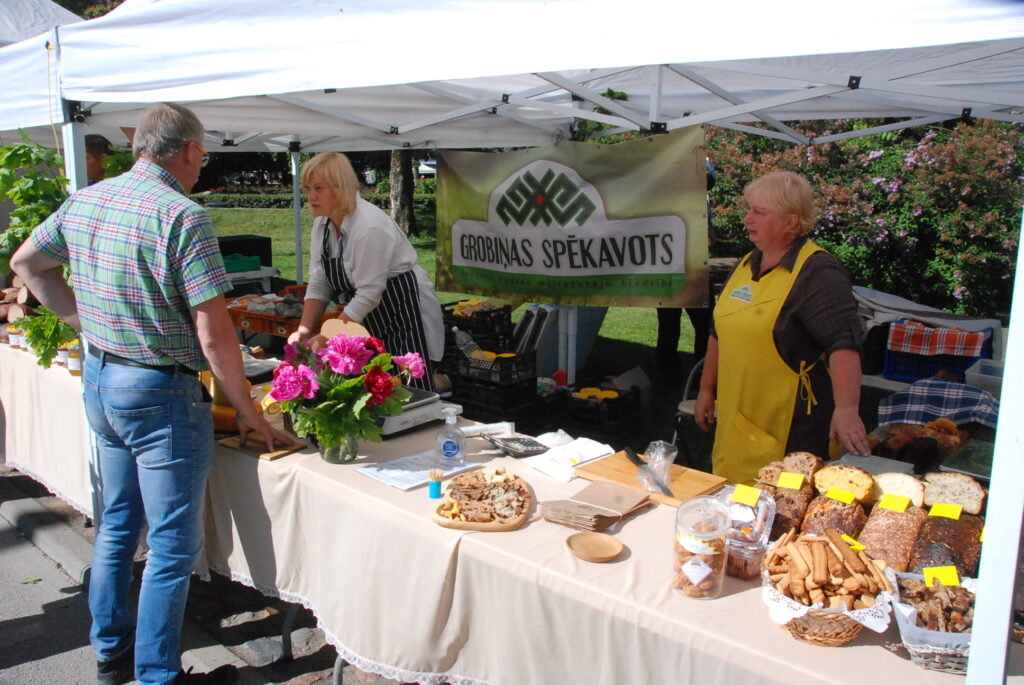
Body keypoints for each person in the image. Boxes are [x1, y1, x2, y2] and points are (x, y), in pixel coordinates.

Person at [12, 102, 292, 685]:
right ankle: (157, 675)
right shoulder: (182, 215)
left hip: (102, 377)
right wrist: (250, 414)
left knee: (116, 524)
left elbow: (28, 264)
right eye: (203, 154)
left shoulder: (88, 198)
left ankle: (111, 654)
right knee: (169, 546)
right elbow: (215, 335)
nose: (201, 164)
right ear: (187, 151)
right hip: (159, 392)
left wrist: (84, 322)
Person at [693, 170, 870, 484]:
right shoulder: (747, 262)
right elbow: (719, 331)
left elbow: (843, 343)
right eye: (749, 209)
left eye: (759, 212)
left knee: (778, 508)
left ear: (791, 222)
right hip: (736, 417)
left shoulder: (818, 272)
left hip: (790, 428)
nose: (747, 219)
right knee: (732, 499)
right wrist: (706, 390)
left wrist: (847, 408)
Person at [288, 152, 444, 391]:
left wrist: (328, 334)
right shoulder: (323, 225)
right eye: (308, 188)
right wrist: (304, 330)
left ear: (340, 187)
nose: (311, 197)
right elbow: (321, 279)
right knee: (373, 384)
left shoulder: (369, 226)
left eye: (319, 188)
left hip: (402, 309)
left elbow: (370, 293)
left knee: (408, 384)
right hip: (365, 314)